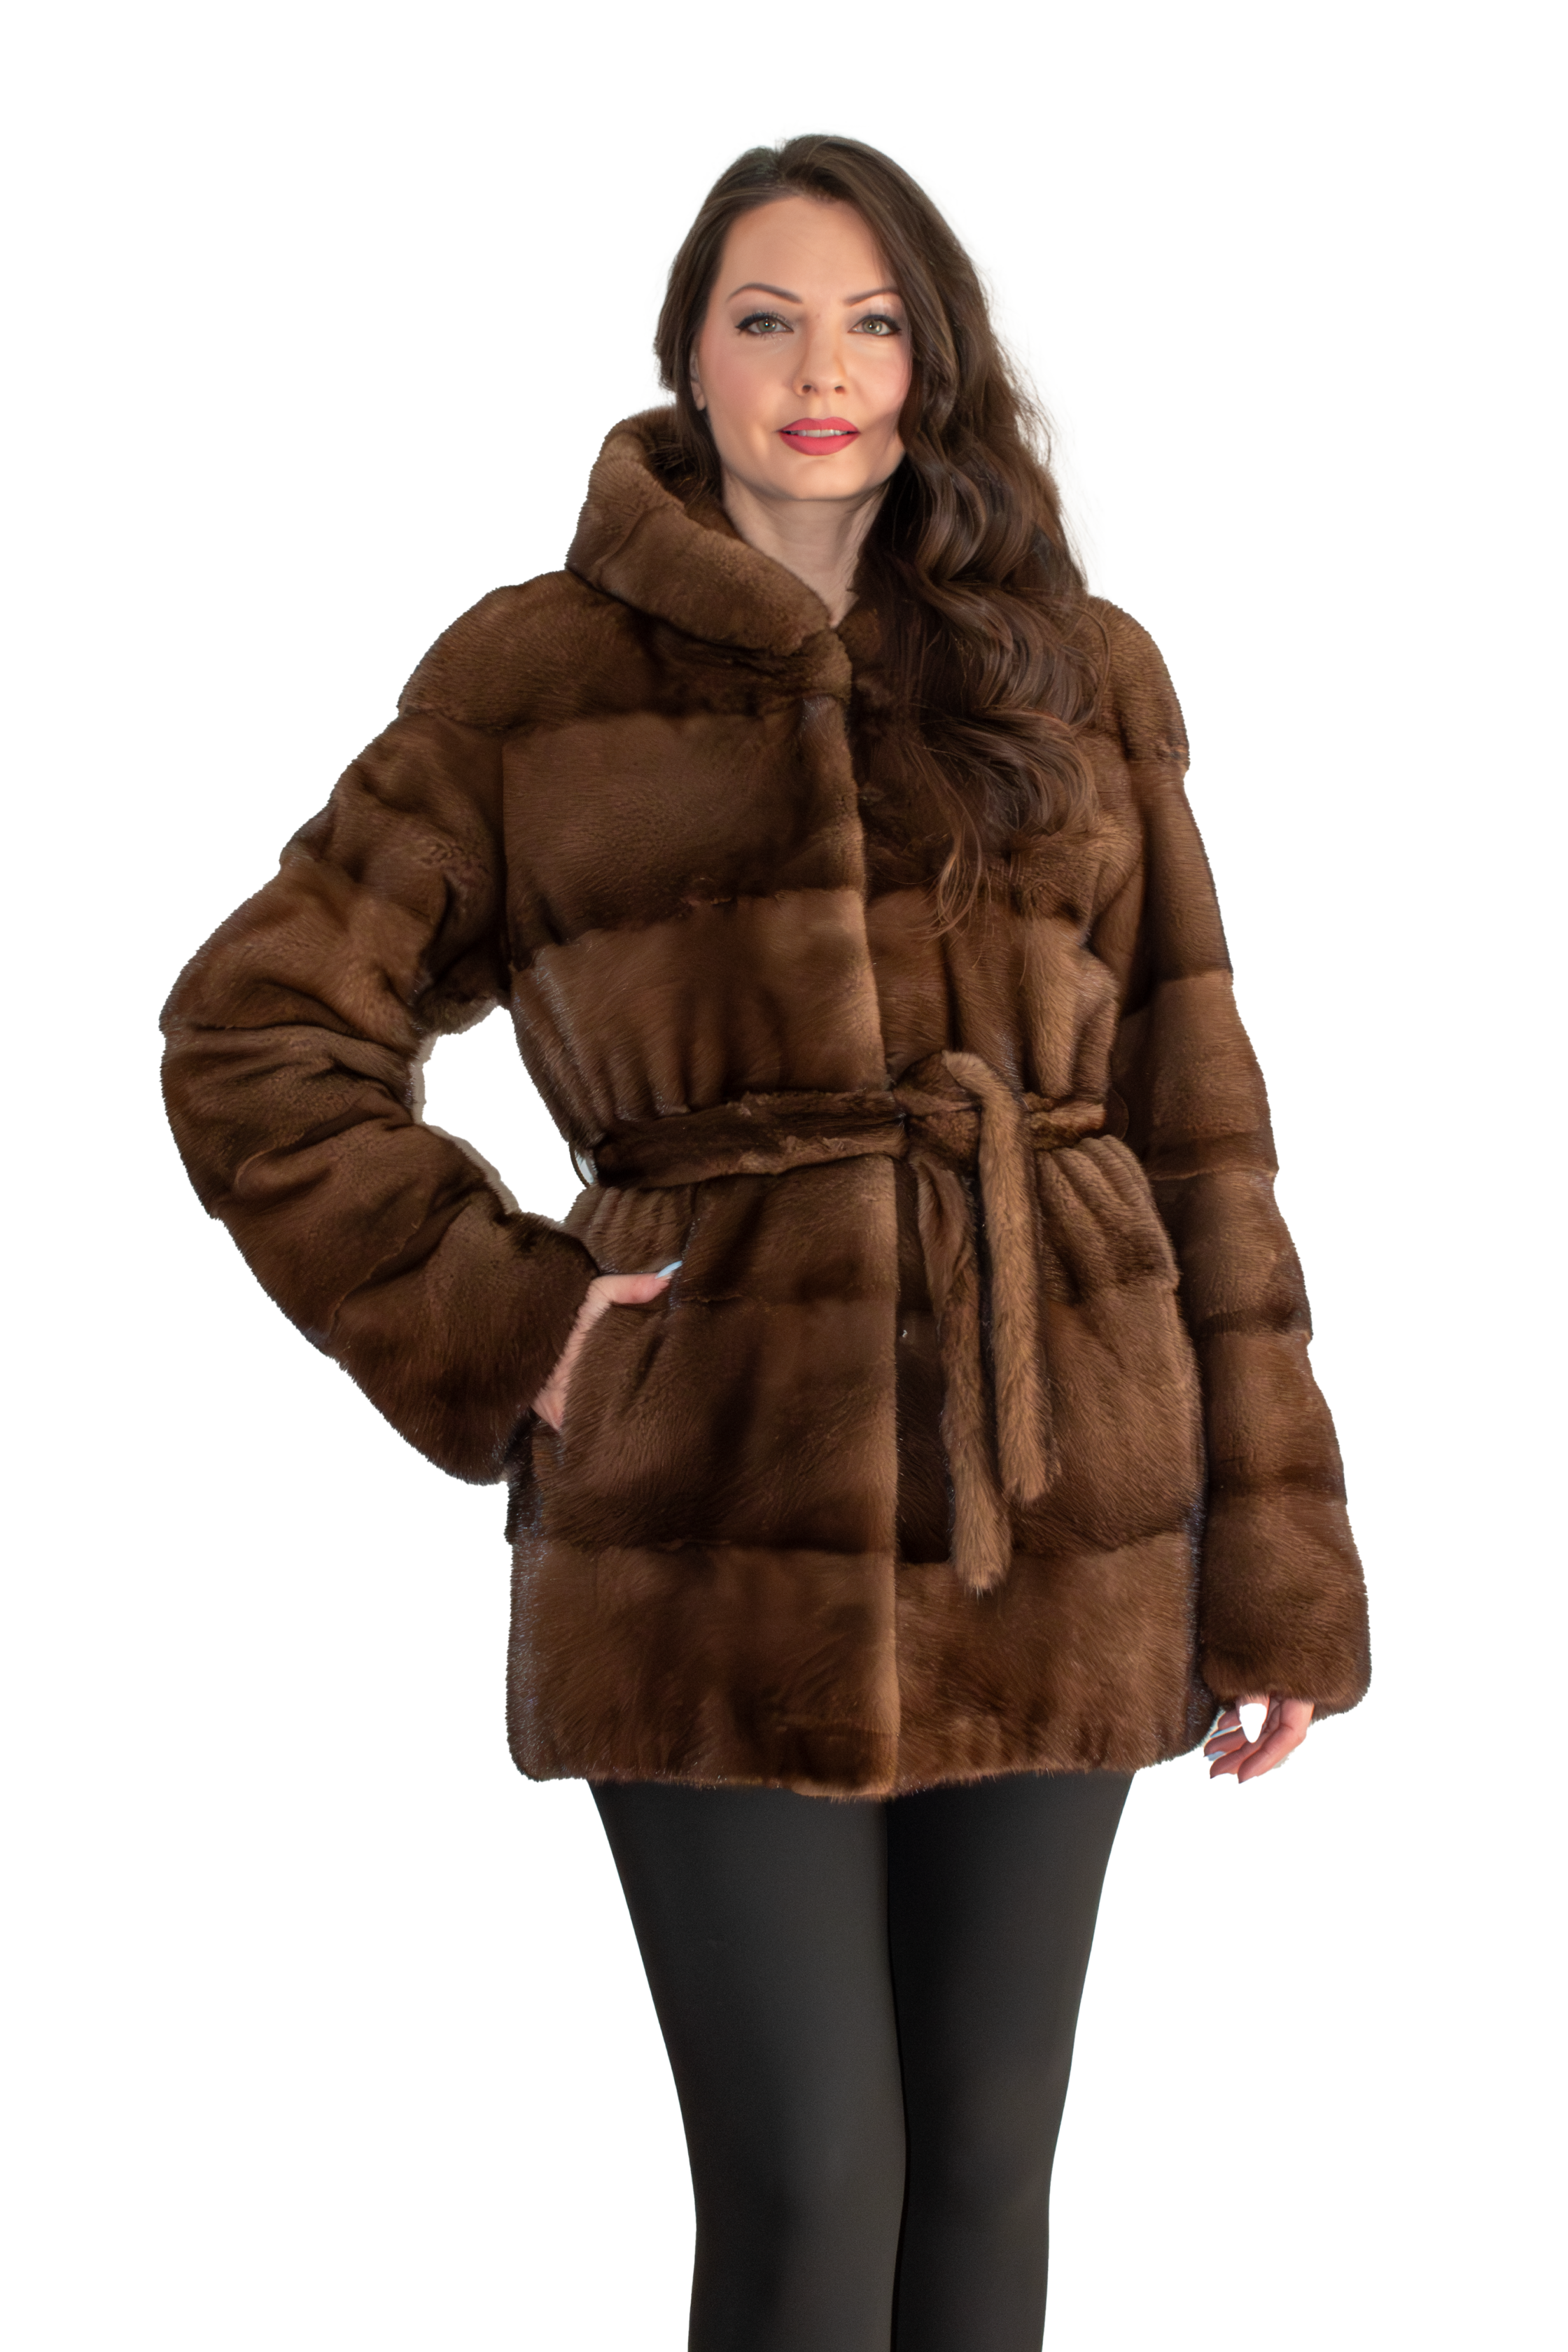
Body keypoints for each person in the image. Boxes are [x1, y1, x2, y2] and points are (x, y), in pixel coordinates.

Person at [161, 134, 1370, 2352]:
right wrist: (518, 1325)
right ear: (689, 356)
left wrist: (1280, 1549)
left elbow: (1202, 1115)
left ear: (936, 358)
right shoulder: (534, 682)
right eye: (768, 319)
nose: (824, 371)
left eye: (874, 321)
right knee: (812, 2178)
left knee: (984, 2171)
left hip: (1065, 1493)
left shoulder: (1071, 671)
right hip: (711, 1503)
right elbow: (256, 1031)